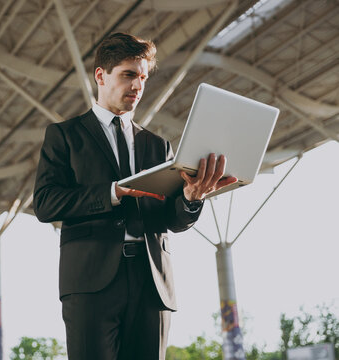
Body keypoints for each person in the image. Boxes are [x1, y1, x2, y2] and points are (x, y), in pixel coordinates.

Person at [33, 33, 237, 360]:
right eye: (128, 74)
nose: (138, 85)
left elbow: (171, 219)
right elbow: (45, 203)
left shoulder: (159, 147)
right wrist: (111, 193)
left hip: (151, 281)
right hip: (91, 283)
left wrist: (191, 198)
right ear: (101, 75)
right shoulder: (64, 136)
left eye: (142, 77)